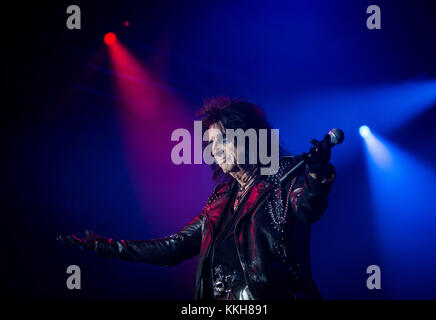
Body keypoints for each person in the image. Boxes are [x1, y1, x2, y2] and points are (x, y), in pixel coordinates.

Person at [57, 97, 336, 300]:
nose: (214, 150)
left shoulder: (284, 178)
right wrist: (108, 246)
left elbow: (309, 204)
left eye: (222, 140)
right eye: (210, 143)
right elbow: (174, 247)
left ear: (250, 138)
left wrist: (317, 172)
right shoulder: (221, 199)